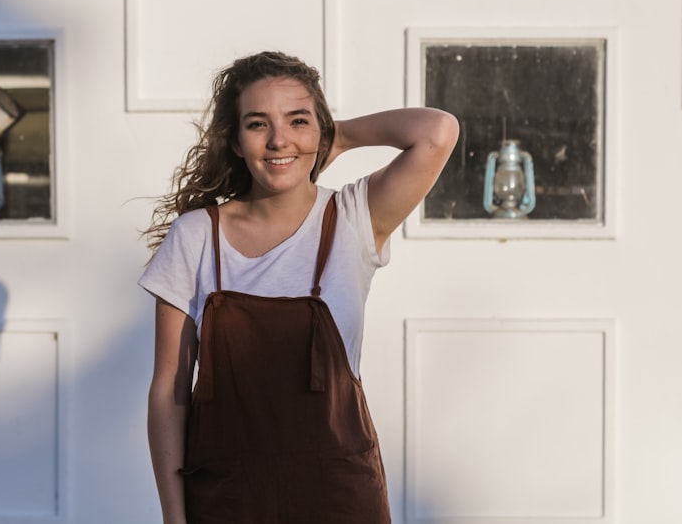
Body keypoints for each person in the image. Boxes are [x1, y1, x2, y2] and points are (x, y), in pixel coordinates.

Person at [141, 51, 459, 524]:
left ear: (319, 129)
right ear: (234, 140)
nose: (278, 140)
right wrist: (174, 516)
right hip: (227, 500)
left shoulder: (355, 217)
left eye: (297, 121)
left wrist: (340, 135)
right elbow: (169, 390)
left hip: (339, 498)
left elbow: (437, 132)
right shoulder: (195, 236)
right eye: (257, 124)